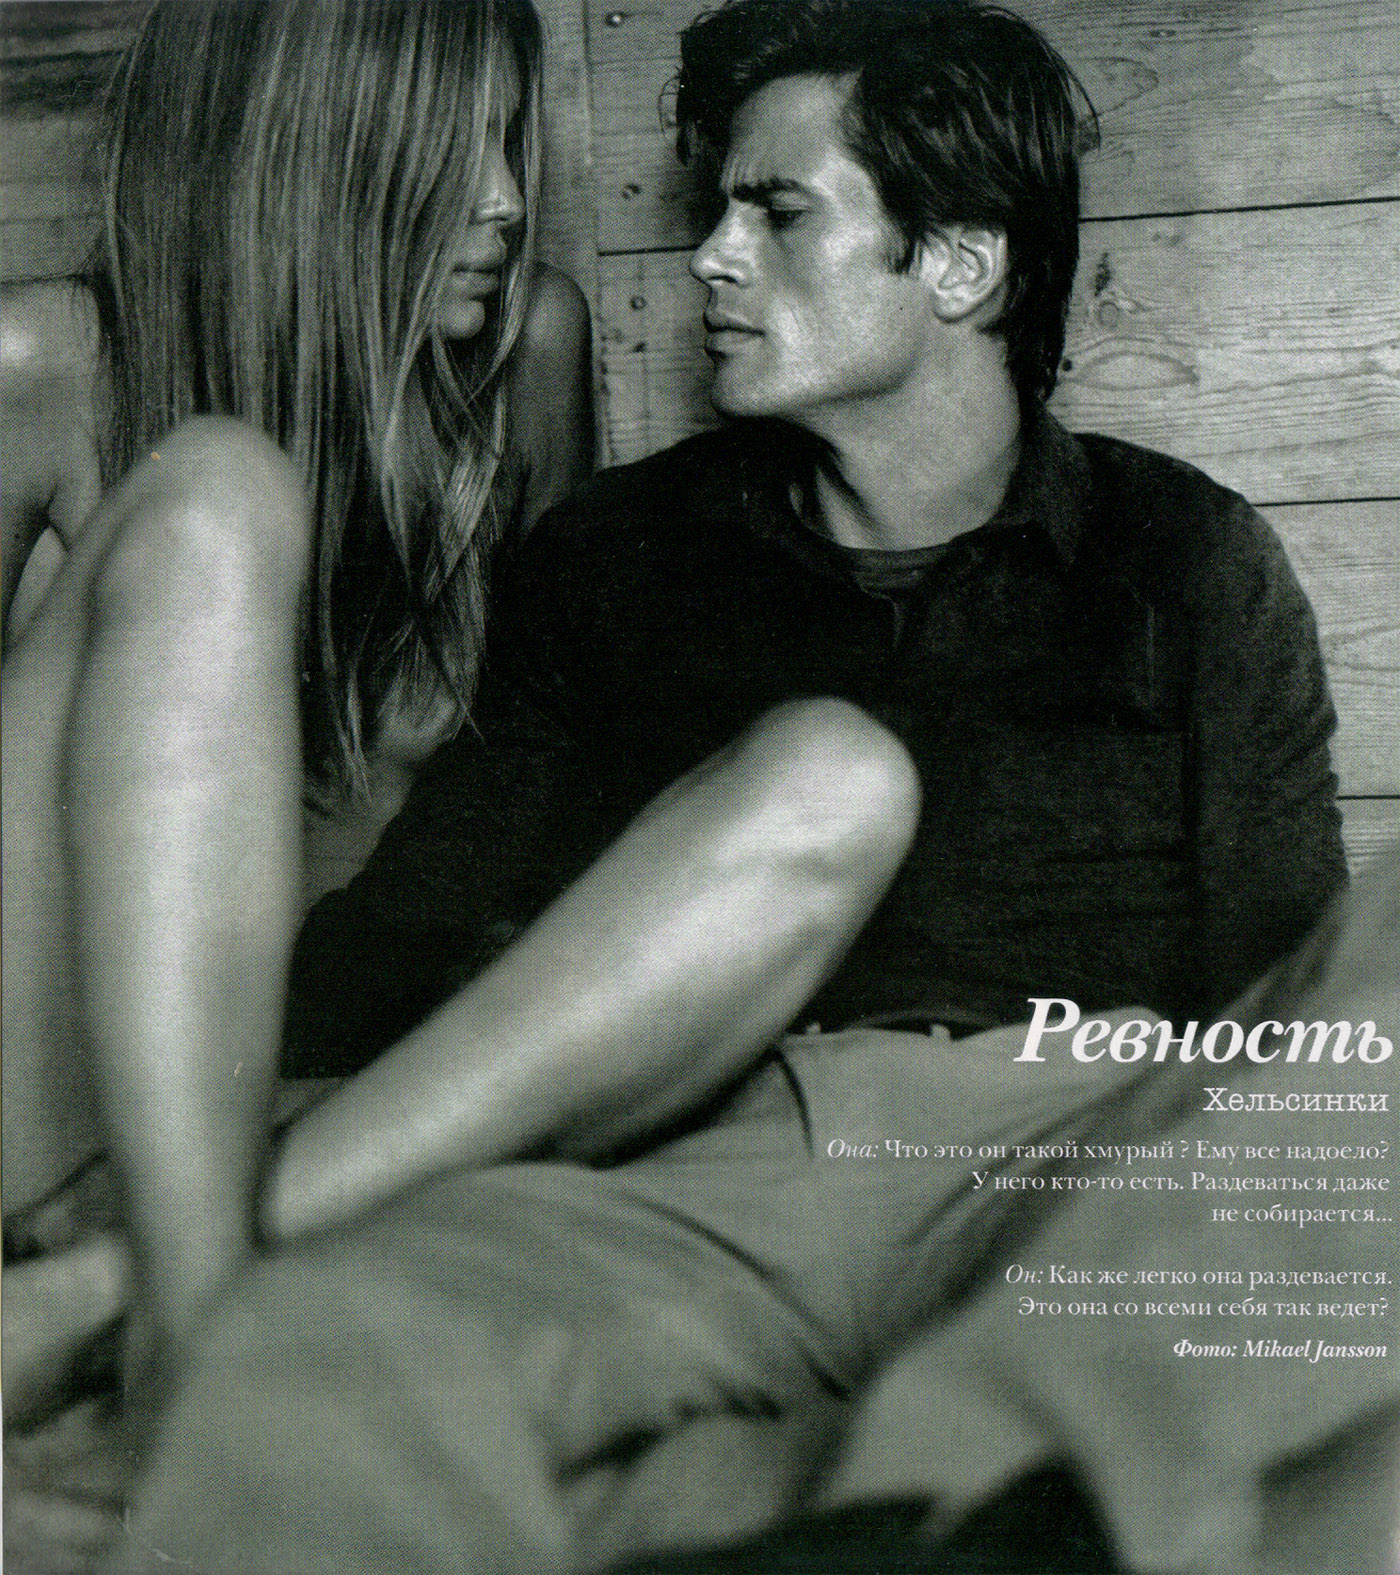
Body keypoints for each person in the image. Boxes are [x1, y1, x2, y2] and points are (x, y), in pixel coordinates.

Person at [27, 0, 1398, 1570]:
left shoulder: (1184, 558)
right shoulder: (614, 559)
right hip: (710, 1157)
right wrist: (185, 1168)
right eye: (713, 210)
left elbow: (1290, 982)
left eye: (777, 213)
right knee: (337, 1335)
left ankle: (972, 1503)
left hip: (1073, 1138)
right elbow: (415, 928)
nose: (709, 259)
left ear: (960, 265)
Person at [2, 0, 595, 1421]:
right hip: (50, 1090)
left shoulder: (527, 357)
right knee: (219, 490)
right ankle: (196, 1350)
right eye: (443, 146)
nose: (505, 199)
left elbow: (555, 783)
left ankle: (168, 1303)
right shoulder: (41, 369)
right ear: (305, 150)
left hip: (330, 1093)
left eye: (507, 137)